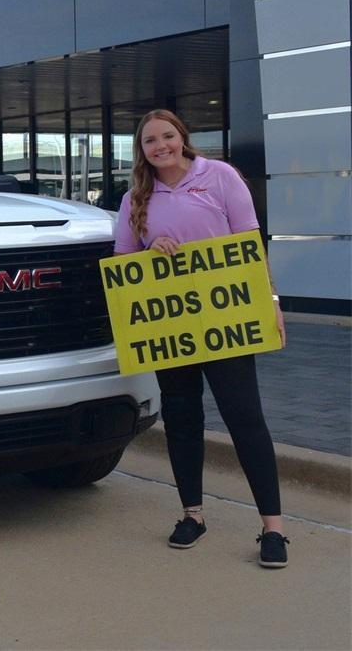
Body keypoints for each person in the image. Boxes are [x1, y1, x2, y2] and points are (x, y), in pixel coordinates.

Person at [113, 109, 289, 568]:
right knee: (183, 419)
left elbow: (250, 242)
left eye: (167, 136)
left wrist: (269, 300)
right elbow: (123, 262)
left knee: (245, 417)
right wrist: (150, 249)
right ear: (142, 149)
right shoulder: (135, 198)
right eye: (150, 140)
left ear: (182, 137)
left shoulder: (221, 176)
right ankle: (193, 514)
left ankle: (273, 528)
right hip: (172, 328)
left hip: (226, 320)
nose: (160, 146)